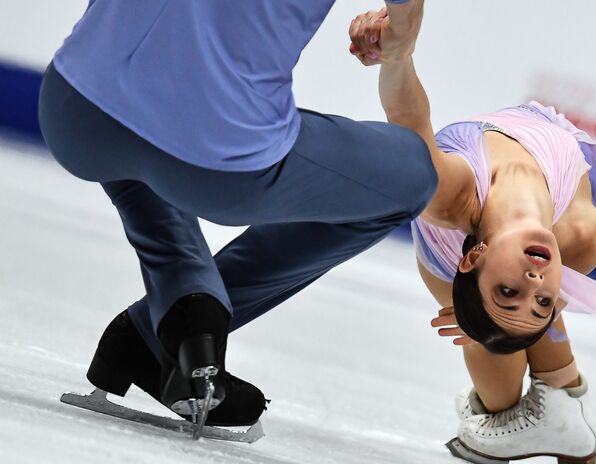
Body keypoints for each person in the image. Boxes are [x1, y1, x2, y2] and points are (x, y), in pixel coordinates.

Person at [37, 0, 436, 432]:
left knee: (137, 133)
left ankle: (189, 309)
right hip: (217, 164)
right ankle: (161, 334)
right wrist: (402, 32)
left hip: (73, 110)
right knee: (412, 175)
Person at [349, 7, 596, 464]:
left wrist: (396, 56)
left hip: (450, 260)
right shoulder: (584, 236)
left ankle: (555, 412)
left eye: (510, 290)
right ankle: (560, 405)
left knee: (496, 341)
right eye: (544, 296)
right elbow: (531, 303)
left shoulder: (449, 199)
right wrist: (518, 326)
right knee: (505, 344)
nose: (533, 280)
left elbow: (407, 117)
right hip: (509, 198)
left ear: (477, 257)